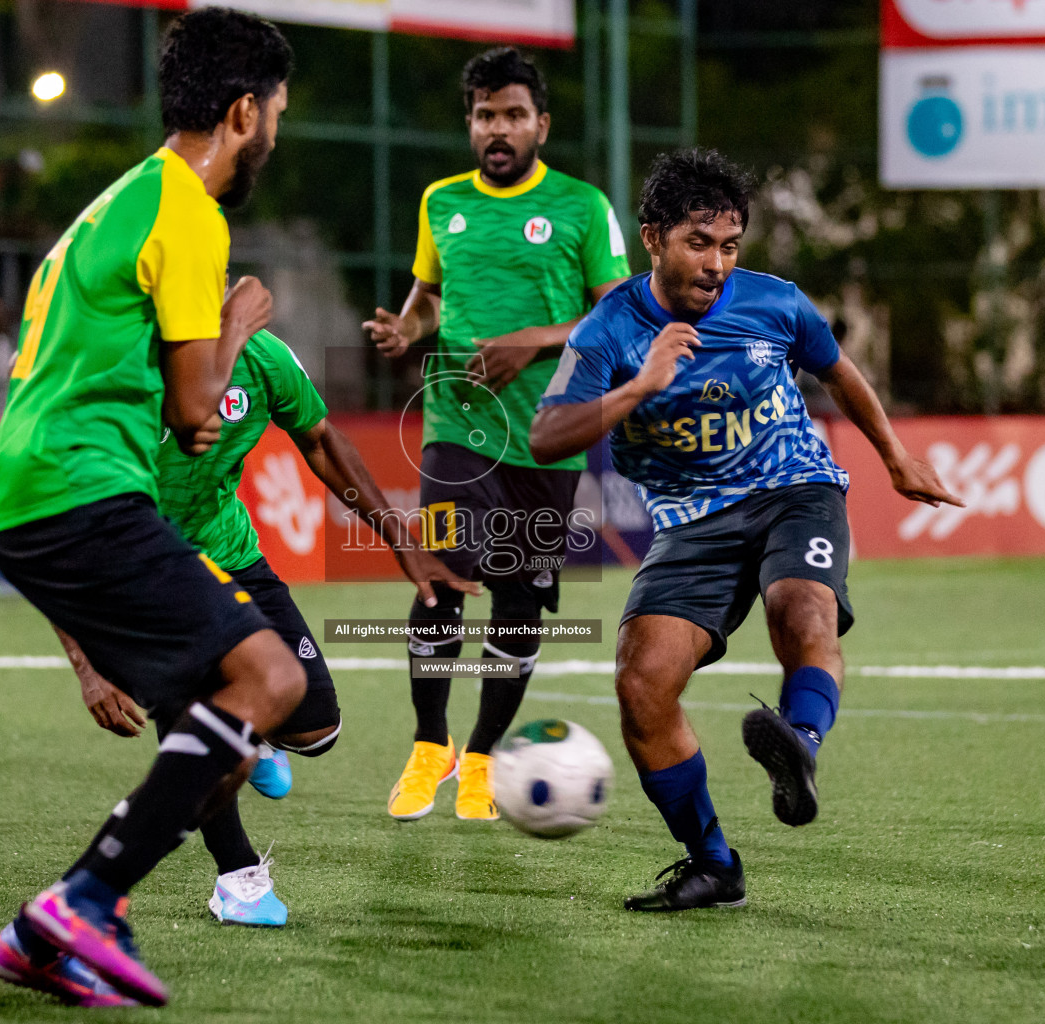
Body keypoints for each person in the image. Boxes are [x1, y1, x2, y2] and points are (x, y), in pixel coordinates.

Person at [530, 149, 963, 912]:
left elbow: (838, 370)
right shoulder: (608, 330)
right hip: (691, 524)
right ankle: (713, 864)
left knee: (801, 609)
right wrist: (640, 386)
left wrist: (894, 455)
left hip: (796, 489)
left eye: (730, 246)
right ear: (653, 238)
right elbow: (547, 436)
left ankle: (798, 745)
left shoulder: (776, 303)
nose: (718, 264)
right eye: (700, 243)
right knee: (642, 685)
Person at [0, 8, 295, 1006]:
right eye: (276, 117)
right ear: (243, 113)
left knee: (225, 693)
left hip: (31, 493)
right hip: (81, 488)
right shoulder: (192, 214)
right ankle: (83, 901)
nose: (275, 139)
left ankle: (73, 918)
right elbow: (200, 413)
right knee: (270, 676)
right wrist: (241, 319)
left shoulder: (123, 198)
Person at [60, 327, 477, 928]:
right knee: (192, 712)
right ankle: (237, 877)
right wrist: (88, 664)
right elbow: (61, 522)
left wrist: (399, 539)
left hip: (232, 554)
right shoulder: (122, 366)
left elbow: (321, 440)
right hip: (144, 570)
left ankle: (247, 734)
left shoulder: (264, 356)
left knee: (319, 726)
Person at [363, 47, 630, 822]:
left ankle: (481, 759)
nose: (499, 129)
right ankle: (427, 746)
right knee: (440, 571)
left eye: (514, 114)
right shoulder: (441, 200)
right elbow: (426, 300)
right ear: (471, 124)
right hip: (455, 425)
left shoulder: (582, 206)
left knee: (517, 604)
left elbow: (618, 315)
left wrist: (532, 340)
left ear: (541, 123)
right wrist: (403, 329)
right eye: (485, 116)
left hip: (549, 435)